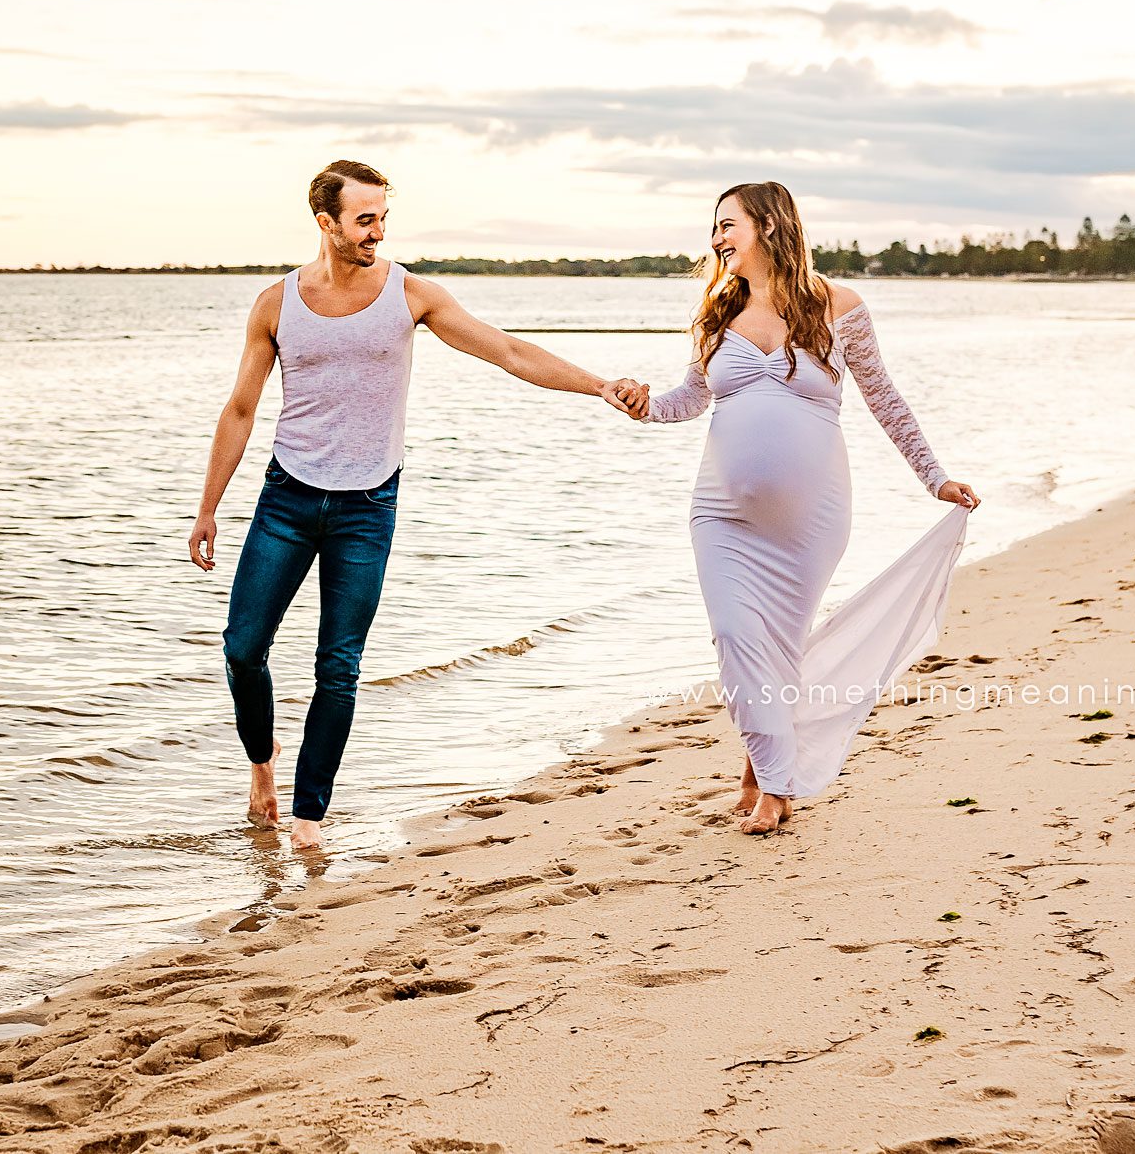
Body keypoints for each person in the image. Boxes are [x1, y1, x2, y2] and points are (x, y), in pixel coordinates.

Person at [187, 160, 647, 851]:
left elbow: (509, 352)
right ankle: (262, 766)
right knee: (242, 649)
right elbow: (242, 408)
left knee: (337, 665)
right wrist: (207, 509)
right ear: (326, 223)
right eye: (364, 218)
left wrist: (599, 385)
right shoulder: (276, 305)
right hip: (286, 498)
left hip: (367, 506)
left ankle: (308, 818)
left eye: (382, 218)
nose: (377, 231)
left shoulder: (410, 295)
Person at [625, 181, 980, 836]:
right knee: (736, 636)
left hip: (810, 519)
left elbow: (886, 400)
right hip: (722, 513)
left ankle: (764, 767)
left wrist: (937, 479)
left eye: (726, 225)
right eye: (713, 227)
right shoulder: (714, 312)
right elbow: (690, 398)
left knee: (780, 651)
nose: (715, 239)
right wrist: (645, 403)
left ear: (767, 224)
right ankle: (779, 782)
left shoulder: (839, 306)